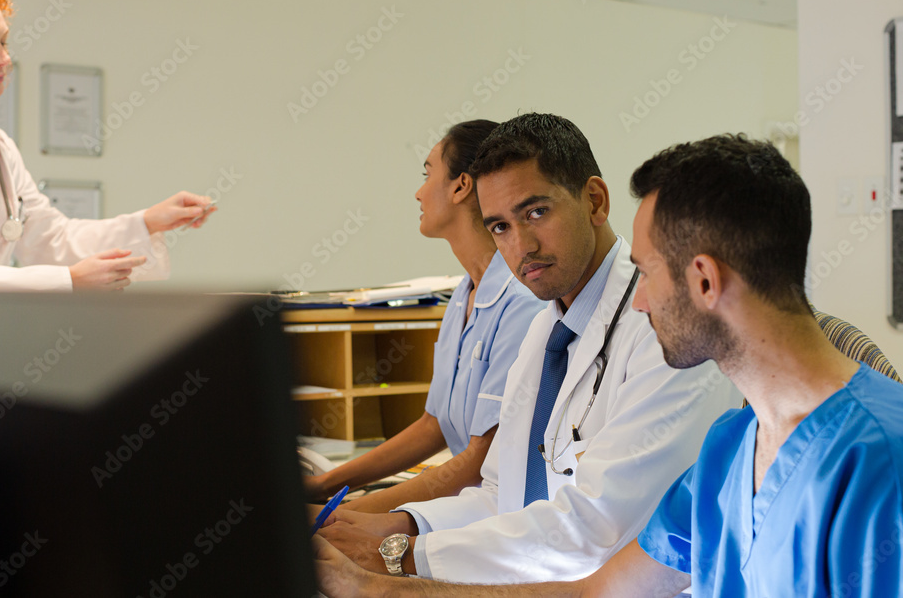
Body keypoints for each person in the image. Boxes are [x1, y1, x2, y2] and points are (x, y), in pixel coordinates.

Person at [315, 134, 903, 597]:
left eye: (645, 273)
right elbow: (597, 591)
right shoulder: (731, 448)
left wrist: (398, 562)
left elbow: (590, 538)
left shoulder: (881, 460)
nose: (638, 300)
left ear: (703, 280)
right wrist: (373, 583)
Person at [317, 114, 741, 583]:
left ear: (594, 200)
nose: (522, 246)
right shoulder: (546, 331)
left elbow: (594, 533)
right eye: (499, 227)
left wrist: (401, 555)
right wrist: (403, 524)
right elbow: (502, 495)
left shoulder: (668, 331)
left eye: (536, 212)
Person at [0, 0, 215, 293]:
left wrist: (147, 222)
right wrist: (69, 280)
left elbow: (50, 240)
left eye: (4, 42)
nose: (4, 59)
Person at [305, 120, 544, 514]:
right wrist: (325, 485)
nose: (418, 191)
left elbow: (477, 464)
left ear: (461, 186)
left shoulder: (522, 302)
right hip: (462, 495)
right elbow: (434, 425)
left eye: (427, 173)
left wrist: (340, 514)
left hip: (492, 509)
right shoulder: (462, 294)